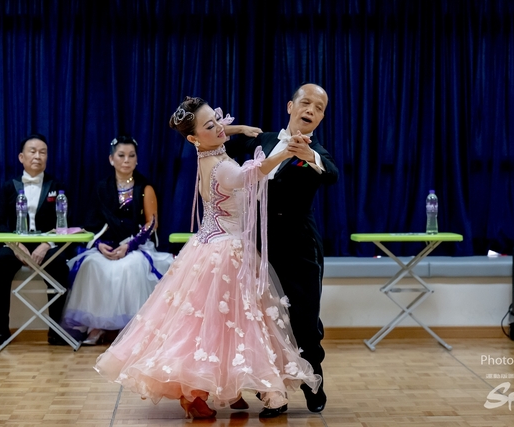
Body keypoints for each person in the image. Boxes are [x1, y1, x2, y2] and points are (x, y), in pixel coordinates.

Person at [93, 97, 321, 419]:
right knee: (235, 323)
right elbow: (254, 173)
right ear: (194, 138)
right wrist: (286, 153)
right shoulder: (223, 167)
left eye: (217, 120)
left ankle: (226, 386)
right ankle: (219, 391)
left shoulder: (207, 154)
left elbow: (220, 132)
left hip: (209, 245)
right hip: (226, 250)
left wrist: (238, 128)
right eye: (211, 126)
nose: (219, 128)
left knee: (218, 323)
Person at [224, 83, 338, 413]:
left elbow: (331, 174)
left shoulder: (317, 152)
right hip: (258, 245)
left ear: (321, 117)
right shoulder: (264, 140)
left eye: (318, 108)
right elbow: (212, 136)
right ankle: (272, 392)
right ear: (291, 106)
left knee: (304, 320)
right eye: (306, 103)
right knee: (262, 320)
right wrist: (240, 129)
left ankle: (313, 380)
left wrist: (310, 156)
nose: (311, 110)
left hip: (300, 246)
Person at [62, 135, 174, 345]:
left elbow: (152, 224)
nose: (126, 160)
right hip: (107, 246)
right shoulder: (101, 188)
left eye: (131, 156)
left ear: (137, 159)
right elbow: (91, 223)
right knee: (91, 264)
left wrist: (129, 246)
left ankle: (130, 330)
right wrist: (99, 245)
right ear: (111, 159)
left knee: (131, 266)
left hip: (136, 246)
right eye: (121, 155)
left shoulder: (145, 188)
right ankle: (96, 327)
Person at [0, 133, 71, 346]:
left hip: (47, 243)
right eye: (32, 151)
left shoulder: (57, 185)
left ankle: (55, 330)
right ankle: (1, 330)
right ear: (21, 157)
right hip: (16, 244)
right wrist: (16, 246)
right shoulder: (9, 186)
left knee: (60, 266)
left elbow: (66, 223)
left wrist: (46, 245)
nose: (37, 156)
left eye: (43, 152)